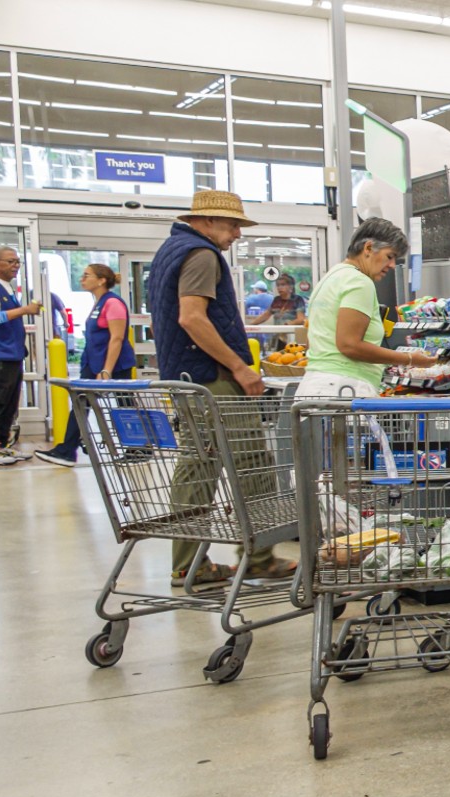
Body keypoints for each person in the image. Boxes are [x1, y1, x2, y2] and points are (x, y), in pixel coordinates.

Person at [150, 190, 295, 587]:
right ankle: (261, 557)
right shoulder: (201, 255)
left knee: (197, 466)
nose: (236, 234)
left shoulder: (170, 250)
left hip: (186, 376)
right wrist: (239, 367)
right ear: (207, 221)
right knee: (253, 462)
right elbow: (192, 318)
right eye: (232, 225)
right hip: (212, 378)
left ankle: (188, 564)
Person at [295, 220, 439, 400]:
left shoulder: (331, 277)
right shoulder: (359, 282)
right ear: (368, 248)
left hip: (316, 387)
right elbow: (349, 344)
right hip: (344, 390)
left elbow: (312, 342)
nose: (393, 265)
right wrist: (409, 359)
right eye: (390, 256)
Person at [36, 264, 135, 466]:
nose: (82, 279)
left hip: (113, 365)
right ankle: (67, 450)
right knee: (81, 403)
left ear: (101, 280)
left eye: (86, 275)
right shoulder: (98, 302)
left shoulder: (113, 303)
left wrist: (106, 370)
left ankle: (140, 448)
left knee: (125, 404)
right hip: (94, 362)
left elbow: (117, 338)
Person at [0, 246, 43, 465]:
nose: (15, 266)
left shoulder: (8, 288)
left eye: (17, 262)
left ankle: (4, 445)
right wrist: (24, 310)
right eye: (10, 261)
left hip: (13, 355)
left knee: (10, 404)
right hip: (0, 356)